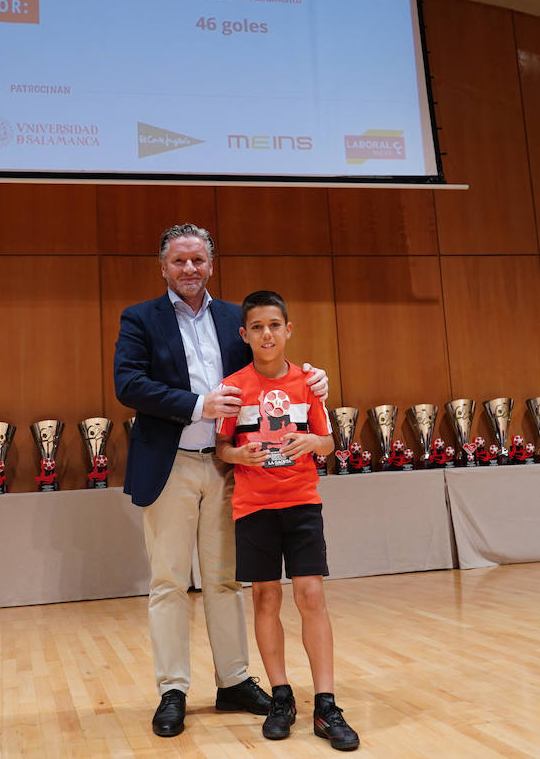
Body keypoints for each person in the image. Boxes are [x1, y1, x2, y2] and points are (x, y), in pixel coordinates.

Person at [113, 224, 328, 738]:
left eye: (198, 260)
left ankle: (233, 681)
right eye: (179, 261)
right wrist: (198, 405)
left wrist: (313, 376)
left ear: (211, 264)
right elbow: (129, 384)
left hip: (230, 465)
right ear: (162, 267)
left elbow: (271, 364)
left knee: (226, 580)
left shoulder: (236, 318)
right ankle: (173, 689)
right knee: (169, 581)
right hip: (170, 464)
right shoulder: (140, 318)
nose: (189, 269)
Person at [216, 290, 360, 751]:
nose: (267, 334)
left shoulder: (309, 384)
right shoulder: (233, 387)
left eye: (275, 325)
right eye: (257, 327)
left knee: (311, 595)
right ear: (244, 335)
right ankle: (281, 697)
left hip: (301, 502)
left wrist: (313, 444)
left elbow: (328, 442)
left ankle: (326, 704)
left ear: (288, 330)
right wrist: (238, 455)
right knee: (265, 598)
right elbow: (222, 448)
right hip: (254, 507)